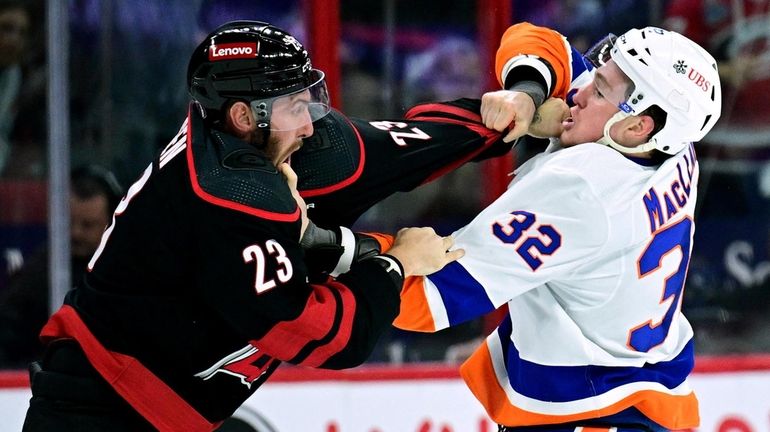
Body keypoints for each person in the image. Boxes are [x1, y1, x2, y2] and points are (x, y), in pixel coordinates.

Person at [22, 21, 462, 432]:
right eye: (294, 107)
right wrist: (394, 266)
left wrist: (504, 110)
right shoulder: (227, 196)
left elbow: (407, 147)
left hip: (133, 406)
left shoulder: (231, 157)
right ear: (244, 117)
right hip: (101, 413)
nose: (310, 126)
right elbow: (320, 334)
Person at [390, 26, 722, 430]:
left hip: (590, 410)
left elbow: (426, 301)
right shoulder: (672, 143)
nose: (578, 95)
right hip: (640, 397)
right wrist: (528, 91)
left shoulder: (582, 189)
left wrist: (342, 253)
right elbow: (545, 43)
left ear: (637, 127)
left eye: (598, 91)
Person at [0, 164, 122, 368]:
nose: (76, 233)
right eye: (69, 222)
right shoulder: (37, 273)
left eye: (88, 225)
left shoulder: (123, 272)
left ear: (109, 222)